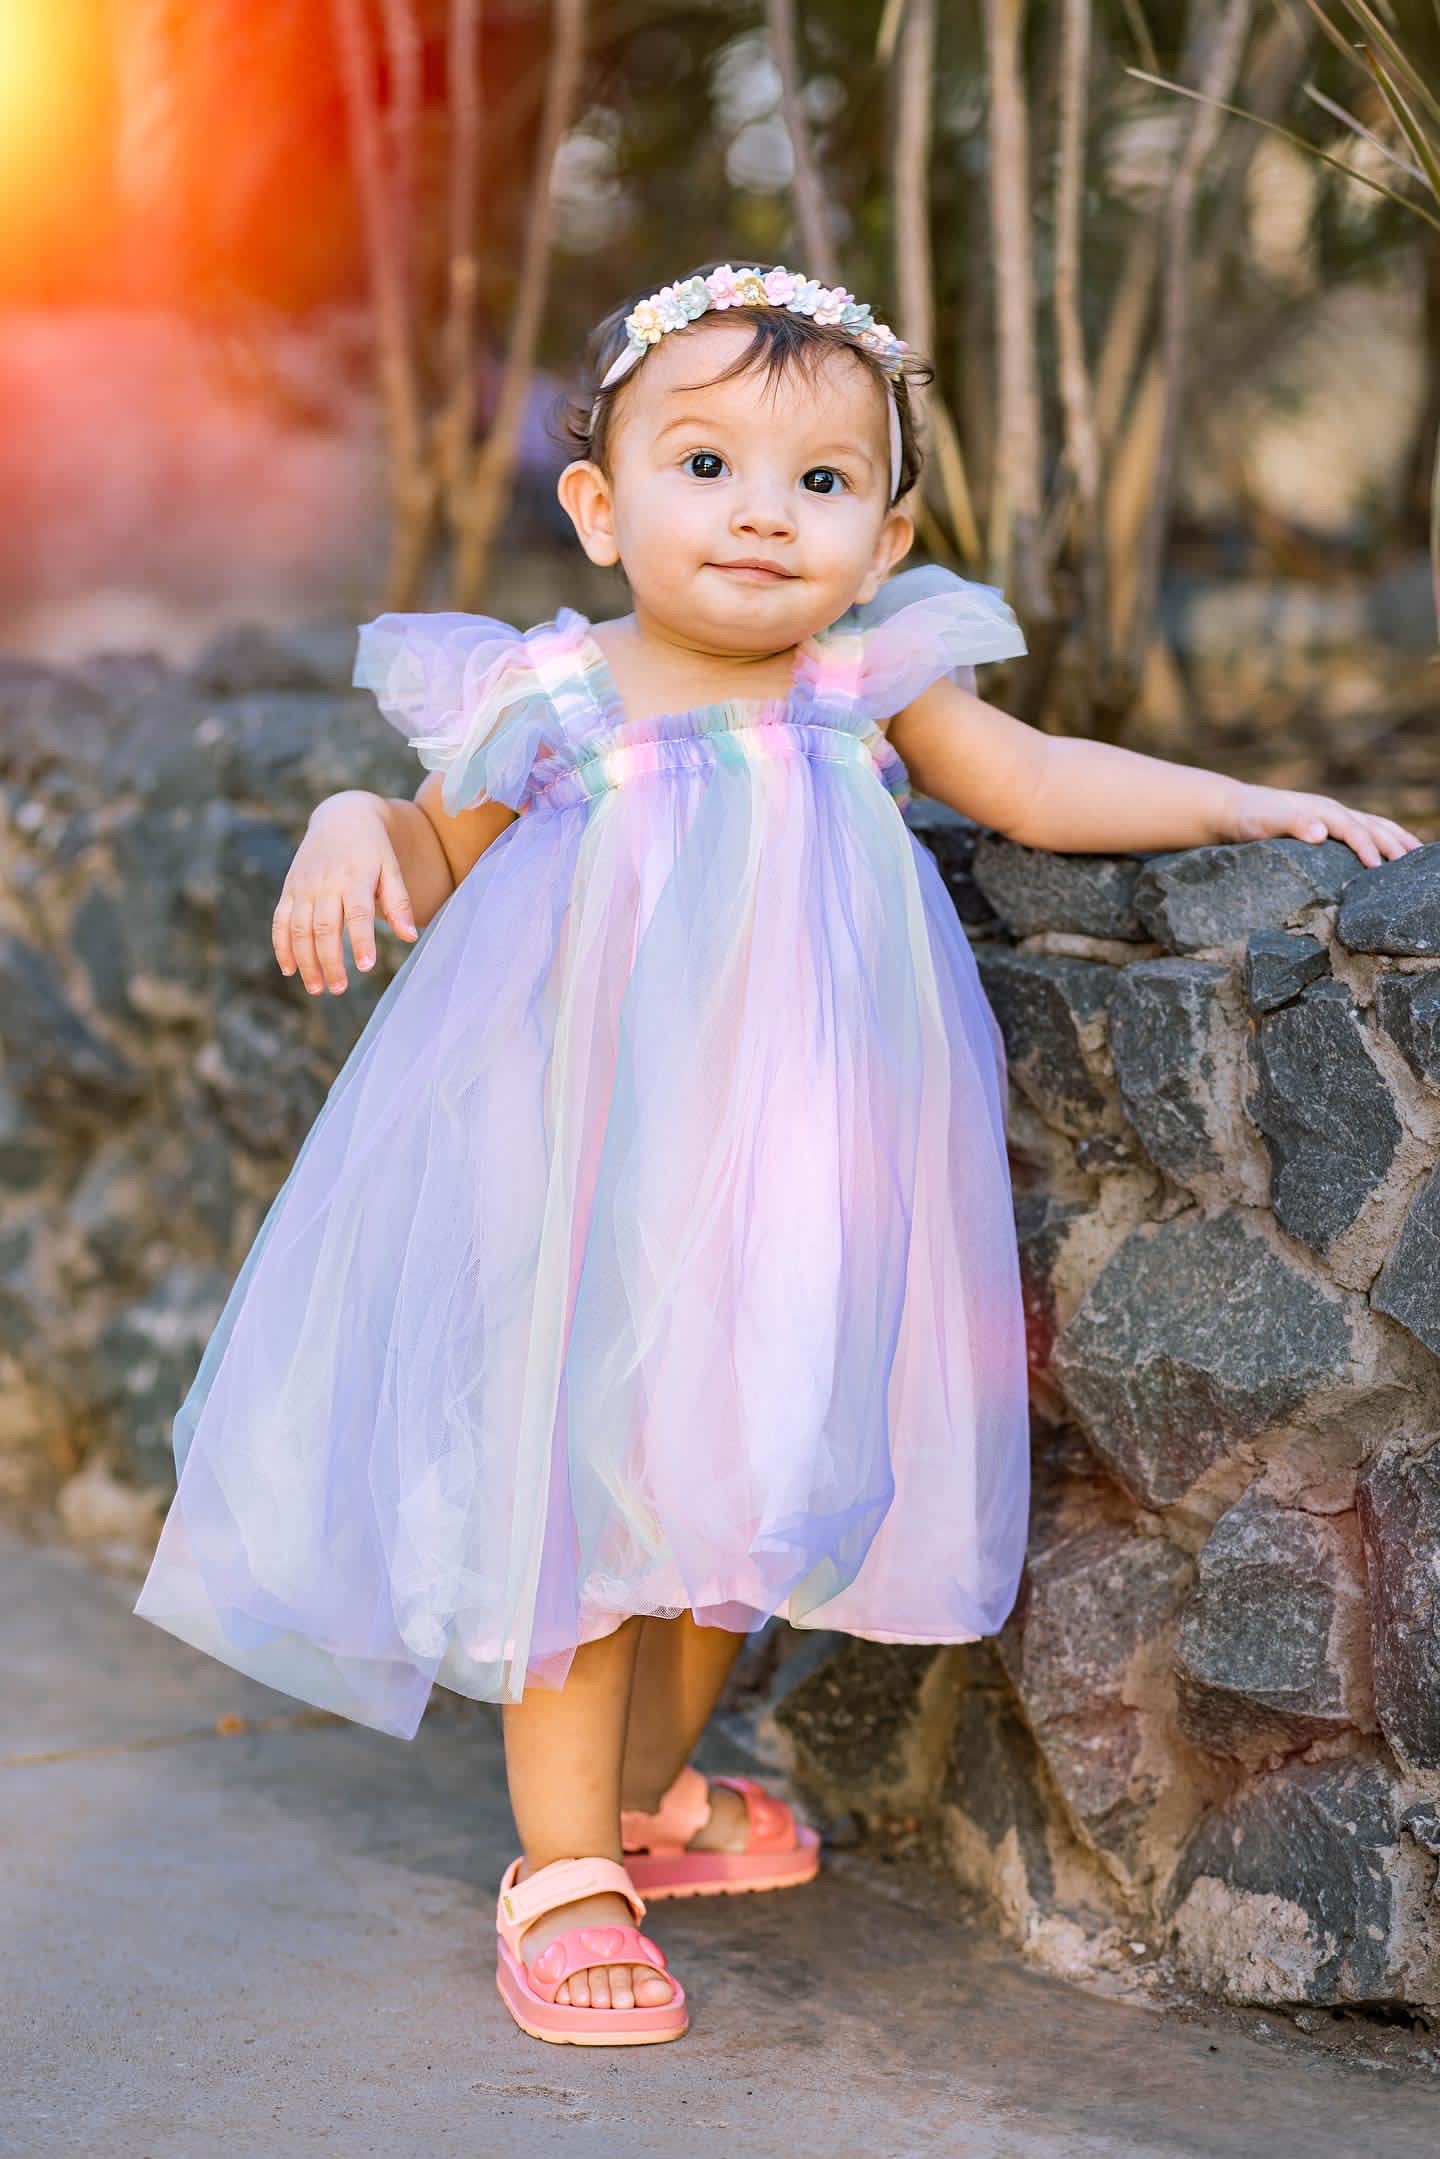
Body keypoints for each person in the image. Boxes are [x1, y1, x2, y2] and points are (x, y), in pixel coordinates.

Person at [134, 259, 1423, 2048]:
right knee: (579, 1518)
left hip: (794, 1192)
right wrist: (354, 821)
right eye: (708, 464)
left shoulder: (861, 684)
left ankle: (649, 1808)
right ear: (599, 506)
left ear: (884, 537)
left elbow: (1039, 785)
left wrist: (1249, 803)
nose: (763, 514)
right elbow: (431, 863)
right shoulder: (556, 701)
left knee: (733, 1510)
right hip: (587, 1183)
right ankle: (558, 1867)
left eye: (820, 483)